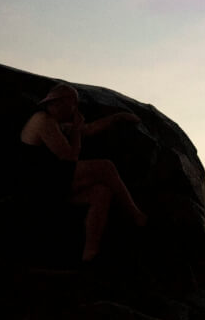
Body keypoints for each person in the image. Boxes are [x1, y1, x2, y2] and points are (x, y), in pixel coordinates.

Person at [17, 83, 147, 262]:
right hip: (39, 186)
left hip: (54, 184)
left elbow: (89, 129)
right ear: (61, 103)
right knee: (105, 167)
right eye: (73, 105)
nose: (75, 110)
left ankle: (90, 255)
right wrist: (77, 131)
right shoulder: (43, 120)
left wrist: (118, 117)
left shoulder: (56, 122)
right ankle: (135, 213)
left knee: (101, 193)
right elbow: (70, 158)